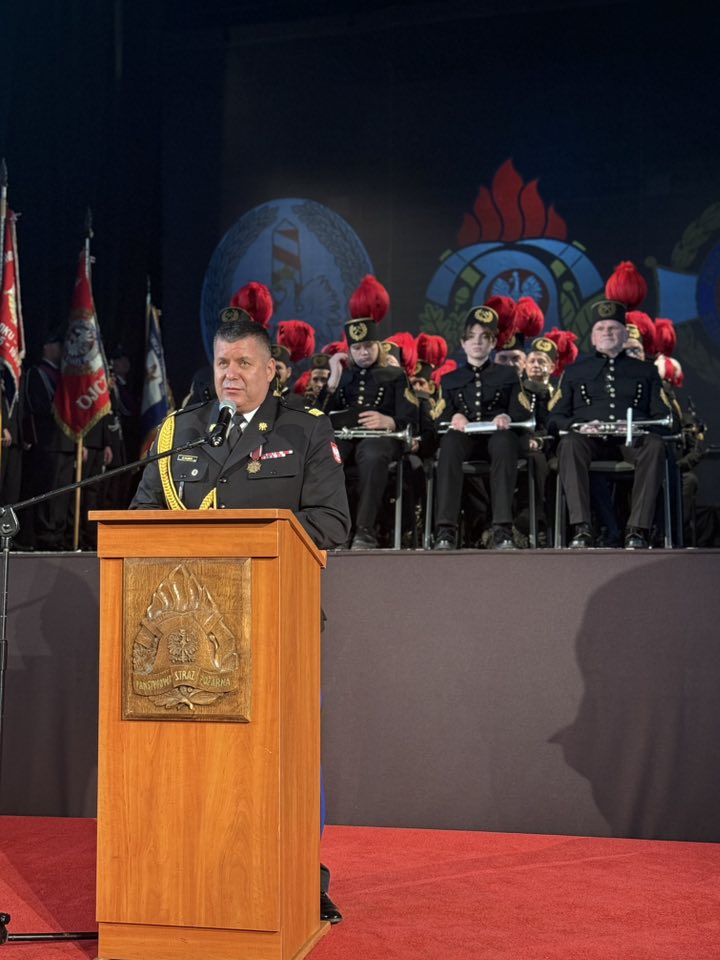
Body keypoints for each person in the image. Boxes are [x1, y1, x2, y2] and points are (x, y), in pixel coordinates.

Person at [130, 312, 350, 923]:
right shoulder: (180, 430)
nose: (230, 374)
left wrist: (246, 542)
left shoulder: (304, 429)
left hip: (279, 621)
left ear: (271, 370)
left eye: (244, 363)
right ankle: (194, 875)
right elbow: (142, 515)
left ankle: (302, 877)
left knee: (289, 757)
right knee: (196, 761)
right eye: (222, 362)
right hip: (186, 633)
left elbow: (333, 524)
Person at [548, 299, 670, 549]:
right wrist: (579, 425)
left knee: (655, 445)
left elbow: (665, 417)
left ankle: (637, 529)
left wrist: (638, 425)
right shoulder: (575, 371)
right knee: (569, 444)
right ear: (593, 338)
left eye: (613, 328)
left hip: (632, 440)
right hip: (590, 440)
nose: (607, 333)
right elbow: (555, 417)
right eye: (601, 329)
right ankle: (582, 528)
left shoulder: (646, 371)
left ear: (625, 335)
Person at [320, 276, 419, 549]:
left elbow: (412, 417)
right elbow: (318, 417)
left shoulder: (395, 375)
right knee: (328, 456)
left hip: (381, 439)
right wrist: (333, 379)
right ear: (350, 350)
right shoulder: (344, 377)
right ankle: (337, 530)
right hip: (347, 438)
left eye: (368, 346)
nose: (363, 353)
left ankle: (365, 530)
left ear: (378, 346)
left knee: (373, 454)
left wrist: (390, 421)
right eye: (357, 348)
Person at [433, 304, 525, 550]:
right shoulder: (450, 379)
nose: (477, 342)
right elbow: (436, 418)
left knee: (505, 441)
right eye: (471, 337)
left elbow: (522, 412)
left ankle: (503, 530)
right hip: (466, 440)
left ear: (493, 343)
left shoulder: (508, 375)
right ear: (463, 343)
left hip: (497, 438)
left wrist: (506, 416)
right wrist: (454, 416)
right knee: (449, 442)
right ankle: (445, 531)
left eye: (484, 337)